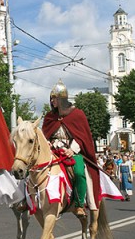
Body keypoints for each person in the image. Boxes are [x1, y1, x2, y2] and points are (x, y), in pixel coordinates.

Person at [42, 79, 101, 217]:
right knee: (35, 168)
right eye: (51, 99)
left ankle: (80, 204)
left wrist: (72, 149)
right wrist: (47, 143)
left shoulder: (77, 114)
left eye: (55, 99)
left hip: (71, 150)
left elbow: (83, 137)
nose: (52, 102)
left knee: (80, 172)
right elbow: (45, 134)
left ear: (62, 99)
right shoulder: (50, 117)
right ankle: (29, 200)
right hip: (53, 150)